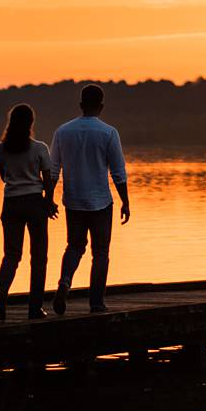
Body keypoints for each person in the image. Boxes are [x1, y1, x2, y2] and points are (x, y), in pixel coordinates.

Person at [50, 83, 130, 314]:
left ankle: (65, 281)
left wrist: (49, 198)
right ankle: (96, 302)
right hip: (101, 202)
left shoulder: (62, 132)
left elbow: (53, 169)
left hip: (73, 200)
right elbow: (117, 172)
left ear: (81, 105)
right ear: (101, 106)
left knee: (74, 246)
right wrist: (125, 200)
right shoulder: (109, 132)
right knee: (101, 252)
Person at [0, 102, 57, 321]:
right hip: (34, 203)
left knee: (11, 255)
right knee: (39, 257)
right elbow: (48, 181)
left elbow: (3, 175)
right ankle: (34, 308)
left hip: (10, 203)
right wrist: (50, 202)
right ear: (31, 123)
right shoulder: (40, 148)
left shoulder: (2, 148)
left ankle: (0, 297)